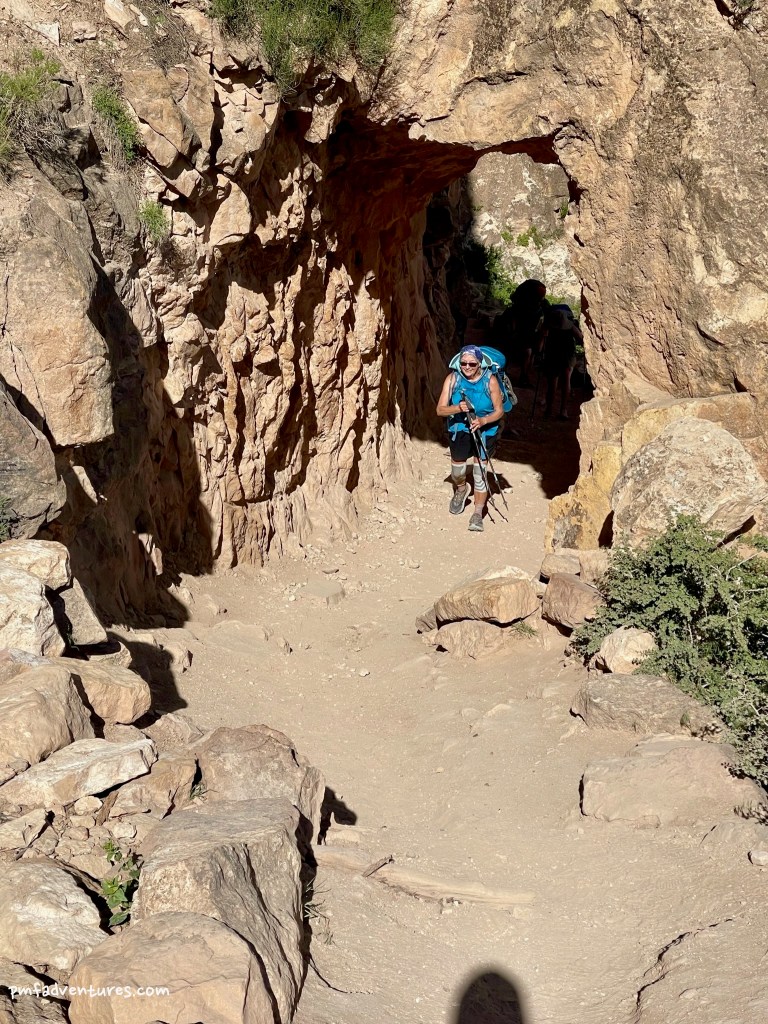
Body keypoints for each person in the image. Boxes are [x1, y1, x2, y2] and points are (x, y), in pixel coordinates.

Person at [436, 345, 505, 532]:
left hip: (485, 431)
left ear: (479, 364)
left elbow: (499, 411)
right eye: (463, 363)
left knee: (479, 474)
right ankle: (461, 489)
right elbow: (440, 410)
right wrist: (457, 408)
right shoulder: (453, 379)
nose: (467, 367)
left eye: (472, 364)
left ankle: (477, 513)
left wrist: (483, 420)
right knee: (457, 472)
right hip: (460, 429)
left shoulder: (490, 381)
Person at [540, 303, 582, 419]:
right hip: (568, 353)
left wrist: (539, 350)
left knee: (552, 382)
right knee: (566, 380)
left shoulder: (548, 324)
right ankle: (563, 410)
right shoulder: (572, 326)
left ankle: (549, 410)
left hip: (552, 353)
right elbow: (581, 339)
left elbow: (540, 344)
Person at [506, 279, 548, 386]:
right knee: (528, 353)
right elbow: (515, 317)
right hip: (524, 331)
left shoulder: (535, 304)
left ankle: (523, 375)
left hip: (529, 332)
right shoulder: (524, 305)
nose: (541, 298)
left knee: (530, 353)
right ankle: (522, 376)